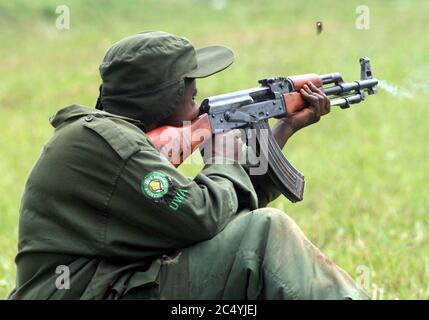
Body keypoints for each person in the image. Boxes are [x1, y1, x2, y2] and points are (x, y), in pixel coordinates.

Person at [9, 31, 369, 300]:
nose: (198, 109)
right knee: (264, 232)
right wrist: (224, 159)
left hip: (105, 284)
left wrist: (284, 128)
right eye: (191, 96)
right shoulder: (113, 145)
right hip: (90, 292)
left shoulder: (100, 136)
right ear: (162, 98)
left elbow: (216, 213)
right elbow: (202, 215)